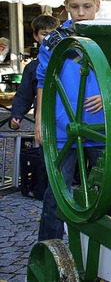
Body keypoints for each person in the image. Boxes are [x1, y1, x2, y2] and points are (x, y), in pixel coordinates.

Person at [36, 0, 111, 241]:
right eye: (75, 7)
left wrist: (108, 95)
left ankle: (110, 249)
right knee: (56, 195)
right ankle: (49, 250)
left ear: (98, 5)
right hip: (62, 128)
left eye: (87, 6)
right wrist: (40, 119)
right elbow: (42, 79)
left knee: (108, 191)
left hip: (101, 126)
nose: (81, 12)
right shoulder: (54, 40)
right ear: (66, 7)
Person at [10, 15, 59, 199]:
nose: (47, 38)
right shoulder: (32, 68)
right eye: (44, 34)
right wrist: (17, 115)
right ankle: (45, 191)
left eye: (52, 34)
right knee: (46, 156)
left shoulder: (67, 61)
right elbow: (24, 94)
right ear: (36, 37)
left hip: (66, 118)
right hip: (44, 119)